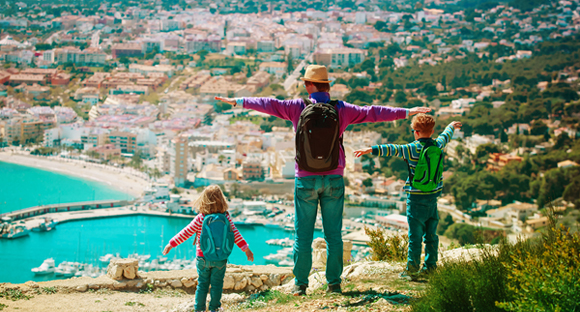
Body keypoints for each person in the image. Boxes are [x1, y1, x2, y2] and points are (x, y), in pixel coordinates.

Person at [215, 64, 431, 295]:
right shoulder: (342, 109)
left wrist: (238, 101)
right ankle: (334, 284)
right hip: (334, 178)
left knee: (303, 236)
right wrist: (407, 112)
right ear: (327, 85)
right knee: (334, 235)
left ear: (309, 85)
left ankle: (300, 285)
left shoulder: (296, 107)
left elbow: (268, 103)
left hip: (305, 179)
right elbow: (372, 112)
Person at [354, 114, 462, 280]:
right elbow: (445, 136)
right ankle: (430, 267)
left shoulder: (411, 148)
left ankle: (412, 270)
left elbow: (392, 148)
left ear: (416, 132)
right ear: (432, 131)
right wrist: (452, 125)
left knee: (415, 237)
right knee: (431, 236)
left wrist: (371, 150)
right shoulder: (438, 145)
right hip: (433, 197)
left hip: (415, 199)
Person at [162, 185, 254, 312]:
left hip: (203, 257)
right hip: (221, 258)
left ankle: (199, 309)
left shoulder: (201, 218)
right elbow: (236, 235)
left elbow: (186, 232)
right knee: (217, 284)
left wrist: (171, 244)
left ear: (204, 200)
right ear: (222, 199)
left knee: (202, 284)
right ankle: (214, 308)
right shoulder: (226, 217)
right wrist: (246, 250)